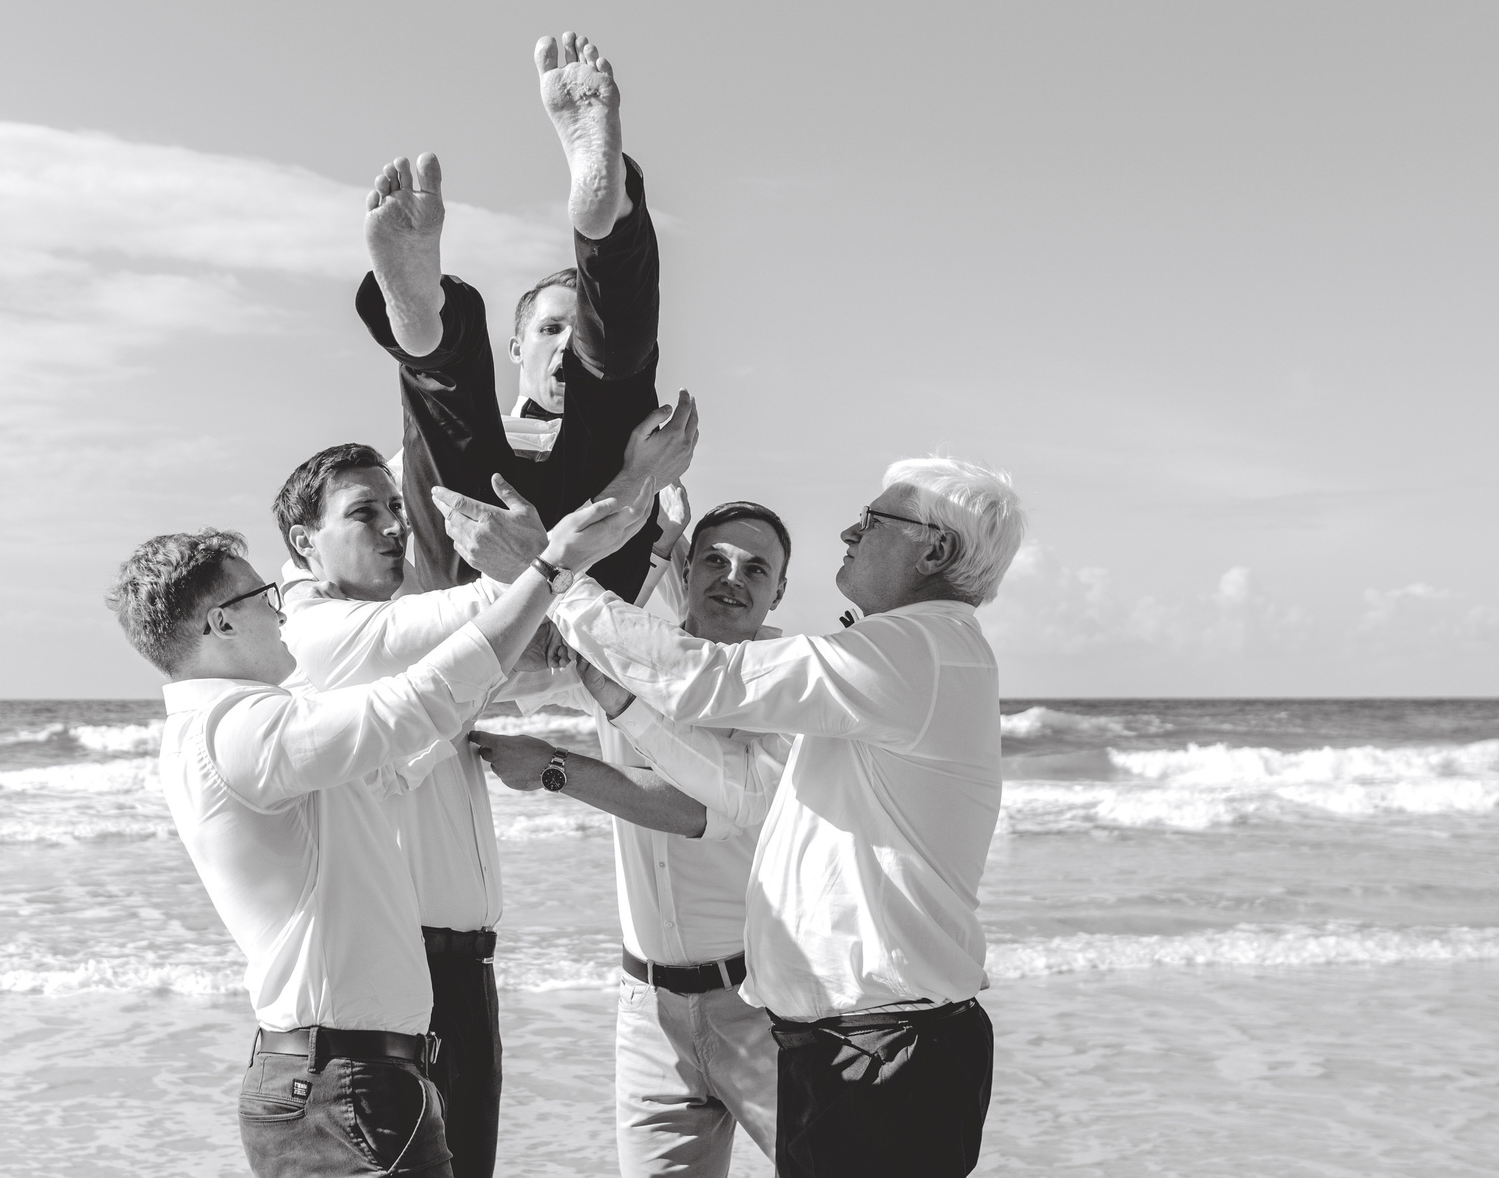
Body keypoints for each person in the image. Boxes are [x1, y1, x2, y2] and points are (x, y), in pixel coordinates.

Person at [443, 455, 1022, 1178]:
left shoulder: (905, 651)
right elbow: (733, 767)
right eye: (712, 561)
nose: (851, 530)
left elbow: (703, 683)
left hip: (879, 1045)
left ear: (934, 549)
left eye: (874, 521)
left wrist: (548, 570)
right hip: (854, 1039)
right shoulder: (919, 651)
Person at [112, 498, 640, 1178]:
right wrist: (547, 568)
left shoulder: (253, 725)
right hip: (340, 1088)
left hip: (355, 1081)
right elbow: (410, 705)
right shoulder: (236, 729)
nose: (281, 610)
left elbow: (396, 752)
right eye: (265, 594)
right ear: (220, 621)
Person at [273, 395, 700, 1178]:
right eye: (365, 513)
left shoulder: (395, 631)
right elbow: (497, 611)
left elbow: (551, 657)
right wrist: (592, 518)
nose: (396, 527)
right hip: (399, 981)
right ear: (304, 540)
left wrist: (649, 539)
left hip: (463, 975)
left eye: (396, 509)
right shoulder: (318, 637)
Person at [469, 500, 796, 1178]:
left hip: (763, 1007)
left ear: (778, 591)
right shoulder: (630, 650)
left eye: (755, 567)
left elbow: (710, 807)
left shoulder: (788, 682)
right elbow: (490, 678)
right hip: (646, 1009)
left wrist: (559, 767)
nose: (732, 577)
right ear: (688, 566)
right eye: (715, 558)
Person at [359, 33, 665, 601]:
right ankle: (430, 330)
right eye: (551, 329)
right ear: (517, 347)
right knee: (454, 422)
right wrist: (645, 476)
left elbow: (669, 602)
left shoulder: (652, 459)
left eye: (580, 329)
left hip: (570, 594)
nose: (568, 345)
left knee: (614, 377)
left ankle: (607, 228)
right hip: (486, 586)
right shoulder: (655, 463)